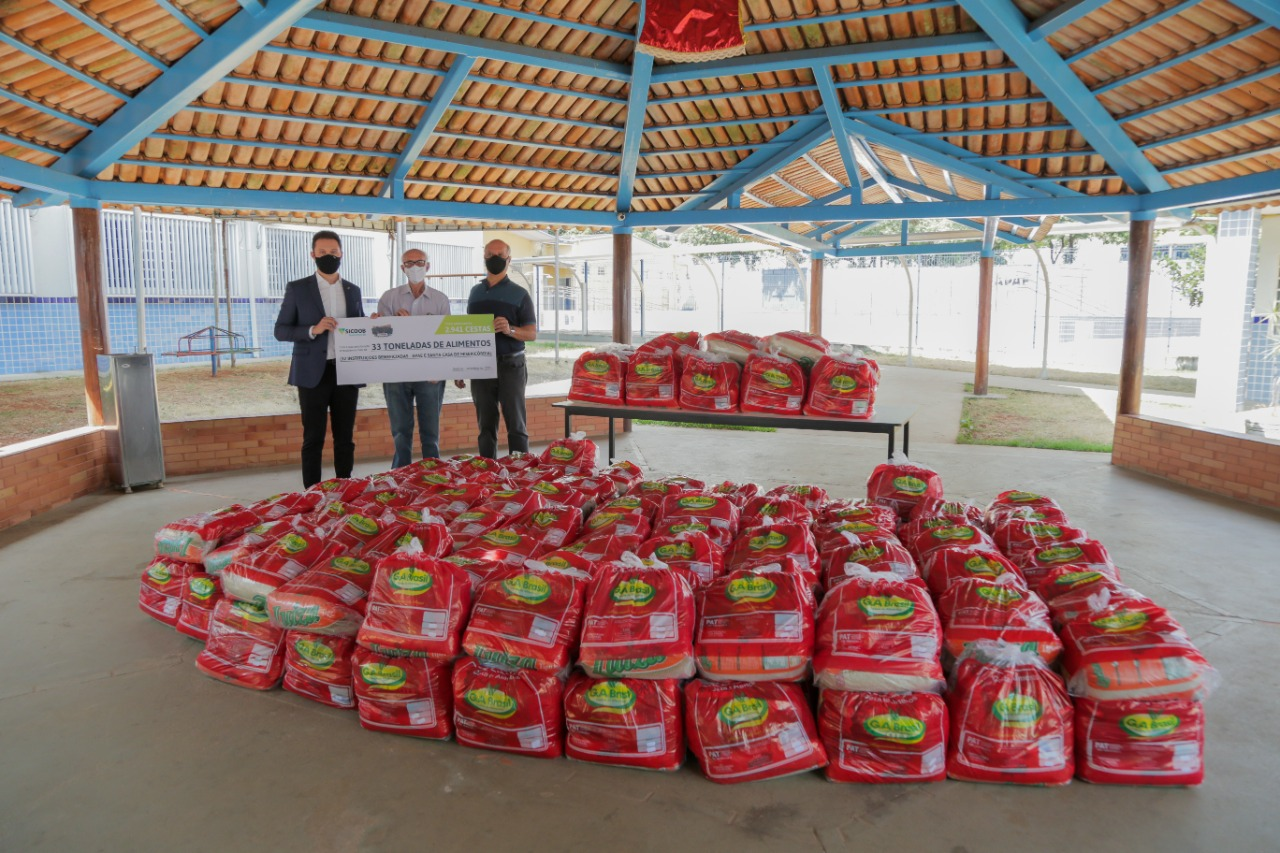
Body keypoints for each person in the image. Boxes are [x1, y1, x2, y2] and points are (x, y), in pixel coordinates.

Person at [274, 230, 365, 488]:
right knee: (313, 437)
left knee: (345, 438)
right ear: (313, 255)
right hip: (312, 373)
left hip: (347, 371)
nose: (329, 257)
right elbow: (281, 330)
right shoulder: (298, 288)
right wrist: (313, 329)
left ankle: (345, 488)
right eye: (323, 252)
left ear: (342, 255)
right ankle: (312, 494)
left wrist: (372, 325)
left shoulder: (353, 290)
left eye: (333, 252)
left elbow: (359, 327)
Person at [371, 248, 451, 467]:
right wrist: (385, 323)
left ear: (427, 266)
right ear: (402, 268)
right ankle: (400, 475)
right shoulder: (389, 298)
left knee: (431, 430)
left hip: (430, 375)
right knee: (400, 430)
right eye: (409, 263)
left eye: (419, 262)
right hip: (396, 374)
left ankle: (433, 474)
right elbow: (380, 337)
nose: (414, 267)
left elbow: (447, 339)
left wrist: (446, 370)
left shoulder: (440, 300)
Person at [459, 239, 537, 459]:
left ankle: (521, 471)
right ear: (484, 258)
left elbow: (531, 333)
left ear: (509, 259)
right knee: (485, 424)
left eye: (500, 255)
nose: (494, 259)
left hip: (511, 364)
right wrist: (462, 367)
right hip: (480, 365)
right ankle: (487, 469)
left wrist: (510, 329)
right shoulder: (475, 292)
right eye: (489, 254)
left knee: (516, 423)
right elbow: (468, 333)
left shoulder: (520, 293)